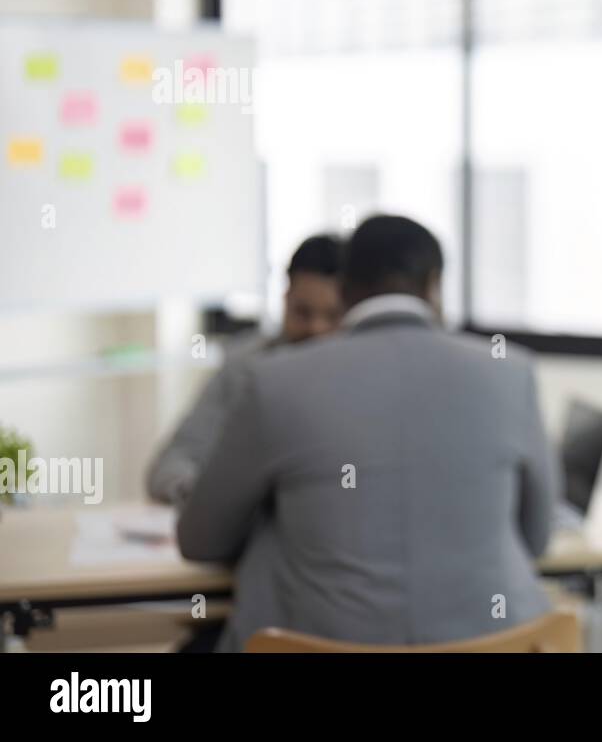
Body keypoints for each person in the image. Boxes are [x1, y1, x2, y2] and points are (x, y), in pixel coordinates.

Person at [177, 214, 557, 652]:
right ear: (434, 285)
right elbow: (537, 536)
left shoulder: (275, 383)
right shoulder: (512, 374)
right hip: (496, 644)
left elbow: (201, 540)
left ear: (345, 288)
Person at [145, 234, 344, 505]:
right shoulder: (246, 366)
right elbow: (171, 464)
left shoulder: (366, 374)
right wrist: (211, 501)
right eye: (302, 312)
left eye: (332, 317)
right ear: (285, 298)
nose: (316, 329)